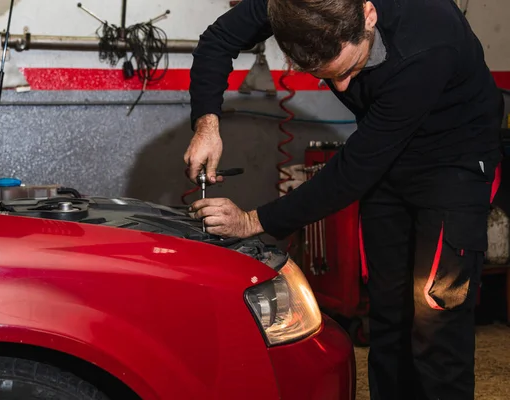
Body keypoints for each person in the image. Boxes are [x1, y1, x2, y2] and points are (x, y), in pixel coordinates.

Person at [185, 0, 505, 399]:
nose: (342, 88)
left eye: (351, 69)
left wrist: (254, 221)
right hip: (386, 155)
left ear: (368, 13)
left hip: (453, 162)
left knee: (437, 318)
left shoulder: (428, 39)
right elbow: (217, 39)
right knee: (387, 313)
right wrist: (207, 125)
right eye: (326, 77)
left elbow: (355, 169)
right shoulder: (291, 6)